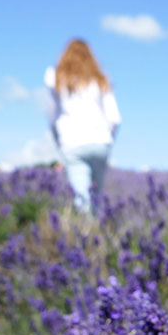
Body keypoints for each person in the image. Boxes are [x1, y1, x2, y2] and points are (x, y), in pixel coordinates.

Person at [44, 38, 120, 215]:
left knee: (82, 201)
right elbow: (115, 119)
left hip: (73, 142)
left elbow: (52, 118)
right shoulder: (100, 78)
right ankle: (99, 235)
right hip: (101, 142)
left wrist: (60, 147)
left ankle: (85, 239)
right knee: (97, 199)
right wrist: (108, 143)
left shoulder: (56, 78)